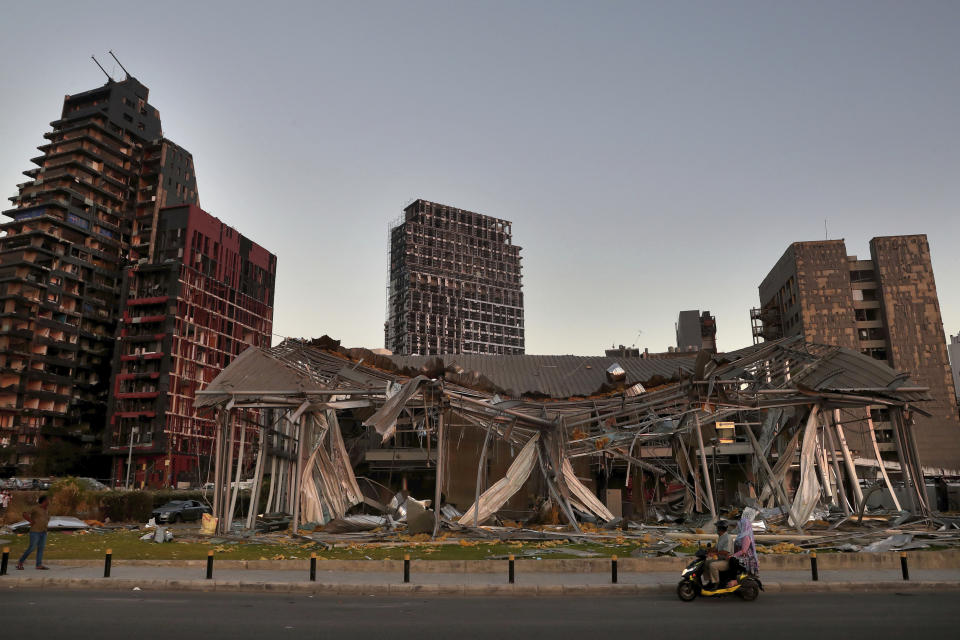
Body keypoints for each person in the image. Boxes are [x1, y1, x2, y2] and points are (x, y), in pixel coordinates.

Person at [17, 494, 51, 570]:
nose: (49, 501)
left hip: (43, 532)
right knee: (31, 548)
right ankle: (20, 562)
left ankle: (38, 565)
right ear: (44, 501)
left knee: (41, 548)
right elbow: (24, 513)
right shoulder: (35, 508)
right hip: (35, 532)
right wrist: (31, 521)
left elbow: (46, 519)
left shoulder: (47, 510)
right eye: (48, 500)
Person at [704, 520, 734, 589]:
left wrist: (715, 553)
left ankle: (716, 583)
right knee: (706, 562)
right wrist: (708, 550)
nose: (716, 529)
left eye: (717, 528)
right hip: (721, 559)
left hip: (727, 561)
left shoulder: (727, 538)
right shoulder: (721, 537)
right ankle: (710, 581)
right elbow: (716, 548)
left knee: (712, 565)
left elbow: (726, 551)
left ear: (720, 529)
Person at [732, 507, 760, 577]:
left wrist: (733, 556)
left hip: (745, 559)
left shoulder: (746, 537)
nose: (738, 526)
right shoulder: (741, 535)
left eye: (740, 525)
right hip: (742, 557)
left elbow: (744, 550)